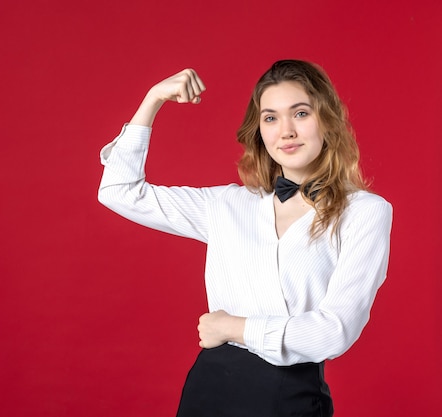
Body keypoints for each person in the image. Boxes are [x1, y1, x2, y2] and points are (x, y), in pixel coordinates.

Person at [98, 60, 392, 417]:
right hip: (208, 392)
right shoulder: (227, 204)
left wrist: (231, 327)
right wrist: (153, 98)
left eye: (300, 113)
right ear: (259, 131)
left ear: (327, 121)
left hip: (289, 398)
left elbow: (334, 332)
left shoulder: (365, 212)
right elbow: (118, 191)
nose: (286, 131)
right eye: (270, 118)